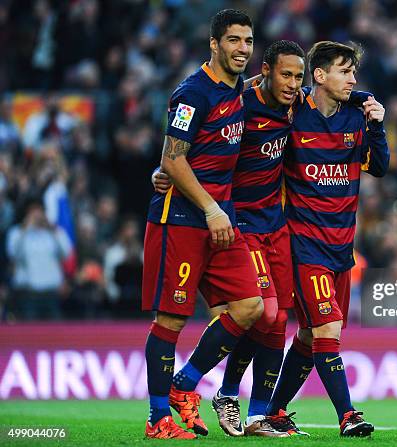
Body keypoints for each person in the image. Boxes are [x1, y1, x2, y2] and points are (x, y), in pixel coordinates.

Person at [154, 40, 307, 437]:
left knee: (274, 318)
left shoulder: (296, 104)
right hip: (236, 222)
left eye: (298, 77)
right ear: (268, 71)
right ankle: (217, 393)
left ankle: (256, 412)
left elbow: (329, 92)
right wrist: (164, 170)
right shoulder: (241, 100)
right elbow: (186, 144)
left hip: (275, 224)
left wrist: (365, 100)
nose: (292, 83)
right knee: (263, 312)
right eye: (285, 74)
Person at [142, 9, 263, 440]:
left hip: (220, 217)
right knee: (171, 320)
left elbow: (303, 85)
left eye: (248, 41)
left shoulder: (242, 92)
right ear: (214, 44)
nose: (242, 49)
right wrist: (211, 208)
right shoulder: (192, 93)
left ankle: (184, 385)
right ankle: (158, 420)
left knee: (251, 307)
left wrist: (362, 99)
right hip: (182, 219)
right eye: (233, 40)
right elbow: (171, 159)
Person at [265, 41, 389, 437]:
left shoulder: (358, 114)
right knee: (328, 329)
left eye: (354, 71)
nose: (353, 79)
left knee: (309, 335)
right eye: (344, 70)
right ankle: (348, 415)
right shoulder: (293, 112)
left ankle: (275, 411)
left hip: (341, 248)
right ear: (319, 76)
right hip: (304, 245)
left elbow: (381, 167)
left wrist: (378, 124)